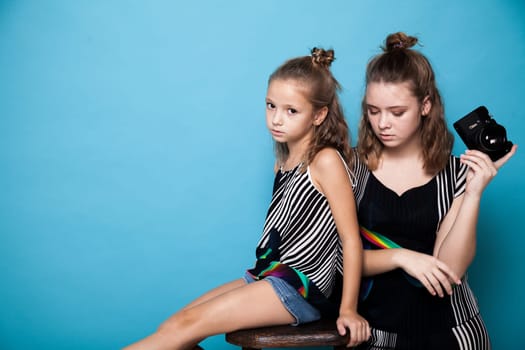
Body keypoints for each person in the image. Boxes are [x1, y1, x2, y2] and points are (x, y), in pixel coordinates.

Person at [123, 48, 370, 350]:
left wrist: (348, 309)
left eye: (291, 111)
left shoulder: (325, 160)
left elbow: (350, 238)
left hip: (302, 289)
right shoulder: (284, 161)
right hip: (270, 276)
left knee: (186, 326)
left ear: (319, 115)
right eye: (271, 106)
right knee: (174, 327)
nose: (276, 119)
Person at [352, 32, 517, 350]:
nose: (383, 123)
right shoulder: (350, 168)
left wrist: (473, 191)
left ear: (425, 105)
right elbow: (336, 261)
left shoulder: (455, 173)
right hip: (375, 337)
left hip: (454, 334)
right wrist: (401, 257)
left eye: (397, 112)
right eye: (373, 111)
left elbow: (450, 269)